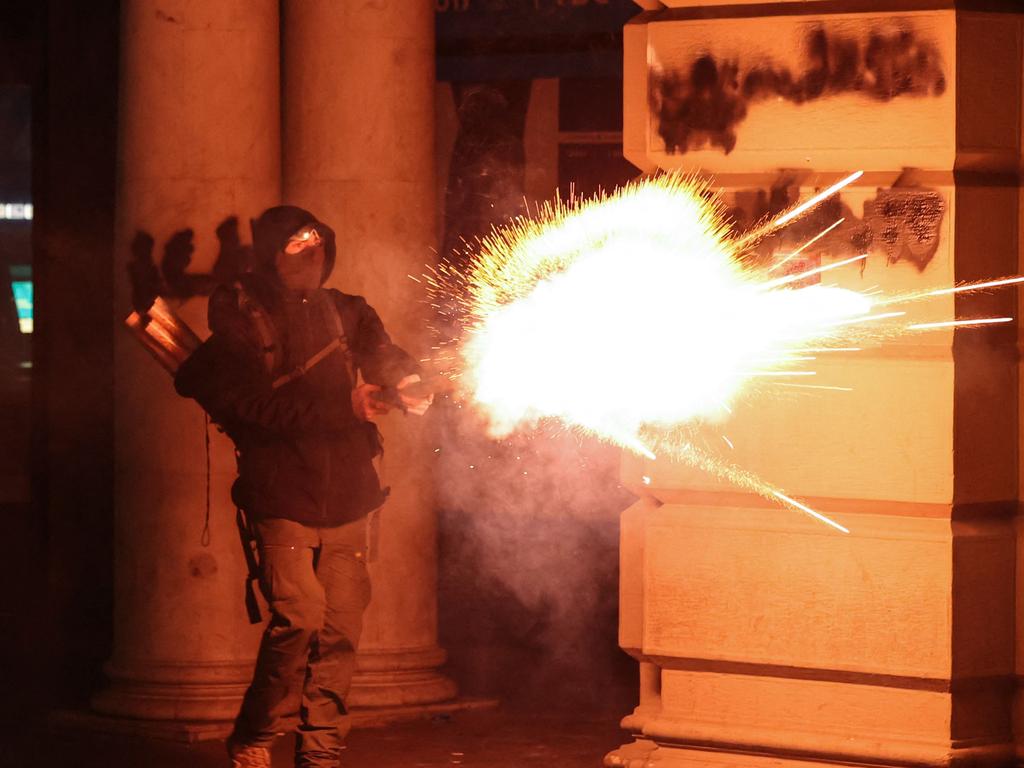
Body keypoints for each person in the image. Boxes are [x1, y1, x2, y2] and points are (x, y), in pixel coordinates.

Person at [174, 205, 431, 768]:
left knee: (339, 631)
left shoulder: (348, 311)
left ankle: (320, 754)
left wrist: (407, 381)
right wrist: (345, 405)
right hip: (281, 492)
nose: (310, 255)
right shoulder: (242, 314)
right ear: (271, 252)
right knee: (301, 617)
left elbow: (383, 354)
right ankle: (256, 735)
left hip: (349, 497)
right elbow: (249, 402)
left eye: (318, 245)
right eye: (296, 246)